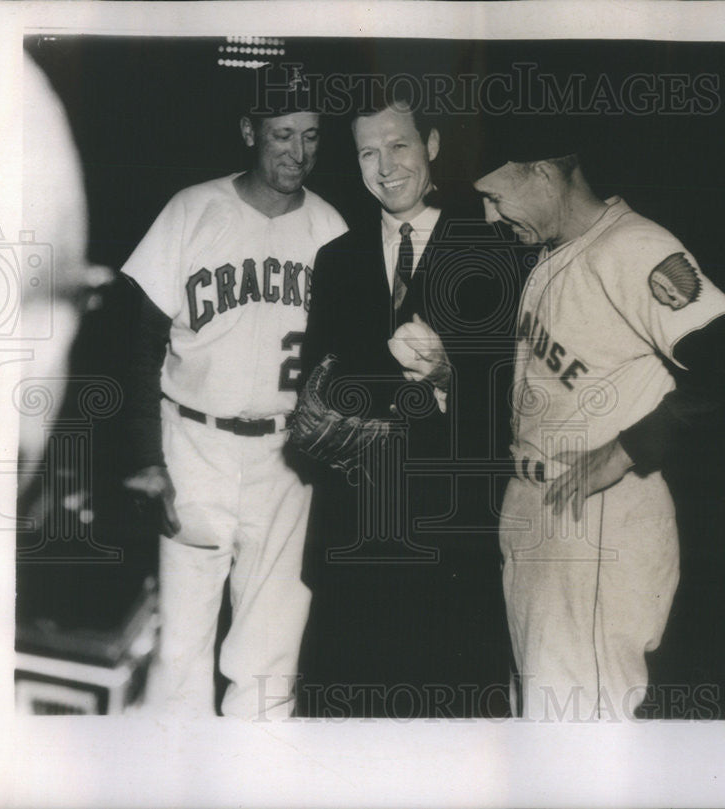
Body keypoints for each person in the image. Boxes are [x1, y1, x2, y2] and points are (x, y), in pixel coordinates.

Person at [472, 119, 725, 721]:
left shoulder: (634, 246)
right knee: (544, 716)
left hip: (598, 517)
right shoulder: (558, 250)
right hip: (540, 507)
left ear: (543, 173)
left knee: (582, 723)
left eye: (495, 195)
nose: (491, 215)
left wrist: (627, 449)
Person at [120, 68, 347, 719]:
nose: (296, 153)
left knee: (272, 648)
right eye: (282, 135)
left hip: (286, 455)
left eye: (310, 136)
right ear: (250, 131)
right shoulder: (194, 209)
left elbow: (346, 360)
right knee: (182, 643)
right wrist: (146, 458)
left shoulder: (332, 230)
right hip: (193, 445)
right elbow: (140, 344)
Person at [288, 92, 519, 718]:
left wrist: (449, 376)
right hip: (353, 535)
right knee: (342, 731)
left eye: (399, 145)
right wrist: (323, 423)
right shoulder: (336, 260)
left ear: (432, 146)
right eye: (367, 152)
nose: (385, 167)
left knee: (452, 733)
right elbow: (314, 391)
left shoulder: (496, 249)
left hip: (453, 540)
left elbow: (516, 399)